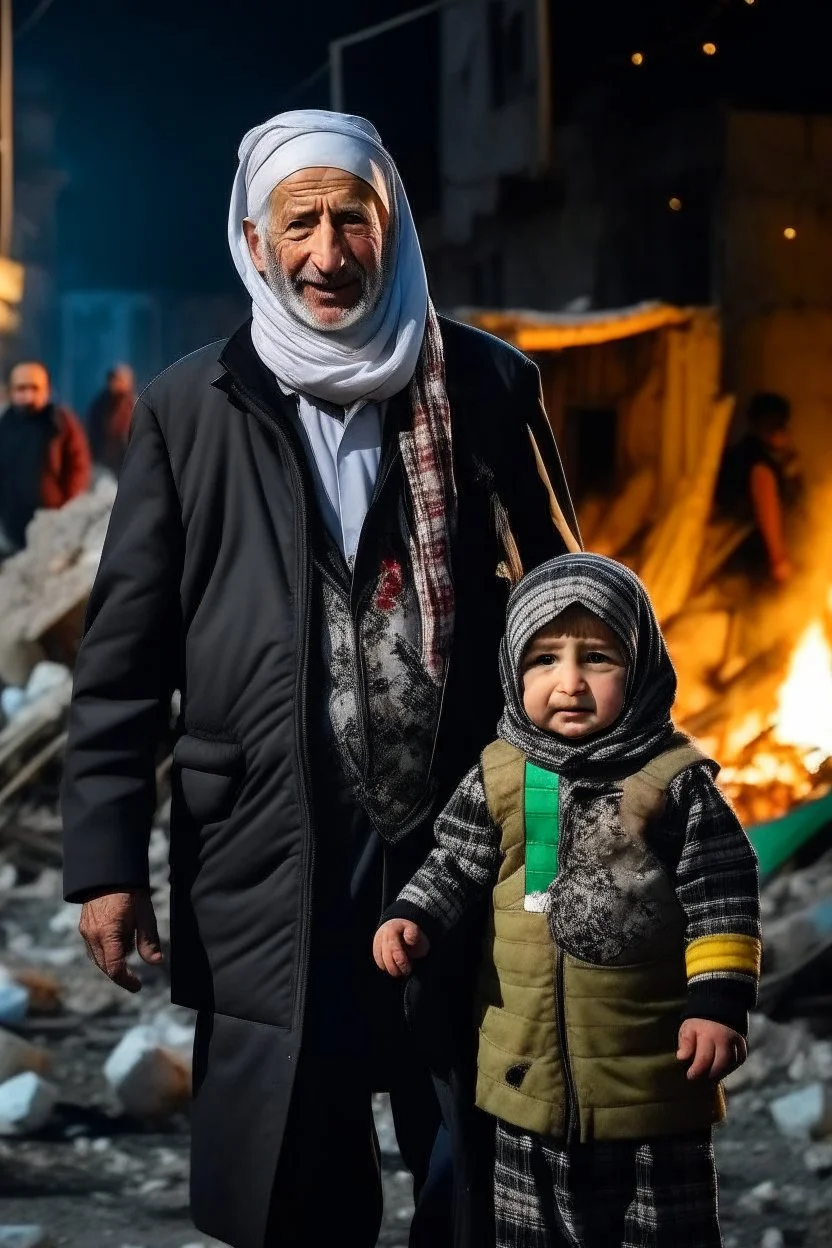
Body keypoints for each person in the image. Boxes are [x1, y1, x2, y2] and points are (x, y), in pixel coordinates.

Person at [60, 109, 580, 1248]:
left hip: (463, 841)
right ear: (253, 237)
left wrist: (568, 841)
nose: (328, 253)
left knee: (484, 1148)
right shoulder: (193, 409)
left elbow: (567, 624)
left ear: (392, 230)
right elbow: (123, 659)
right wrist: (103, 864)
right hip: (266, 846)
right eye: (301, 222)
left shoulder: (487, 384)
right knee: (298, 1173)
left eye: (355, 219)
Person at [375, 552, 761, 1248]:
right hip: (529, 1077)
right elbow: (460, 860)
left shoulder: (673, 783)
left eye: (599, 658)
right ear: (514, 670)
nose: (570, 682)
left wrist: (718, 1004)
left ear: (641, 665)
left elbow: (721, 896)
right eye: (545, 659)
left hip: (650, 1086)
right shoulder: (507, 773)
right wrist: (413, 915)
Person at [0, 361, 92, 558]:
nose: (28, 394)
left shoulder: (60, 422)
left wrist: (66, 506)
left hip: (50, 521)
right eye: (21, 388)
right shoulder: (5, 423)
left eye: (34, 388)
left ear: (47, 390)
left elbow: (78, 466)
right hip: (10, 522)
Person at [716, 391, 802, 583]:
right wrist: (778, 559)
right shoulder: (761, 466)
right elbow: (767, 506)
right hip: (754, 559)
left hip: (729, 556)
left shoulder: (738, 454)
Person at [86, 363, 136, 475]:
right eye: (112, 379)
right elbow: (91, 434)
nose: (114, 384)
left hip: (127, 465)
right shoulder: (99, 406)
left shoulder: (135, 406)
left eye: (119, 380)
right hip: (102, 465)